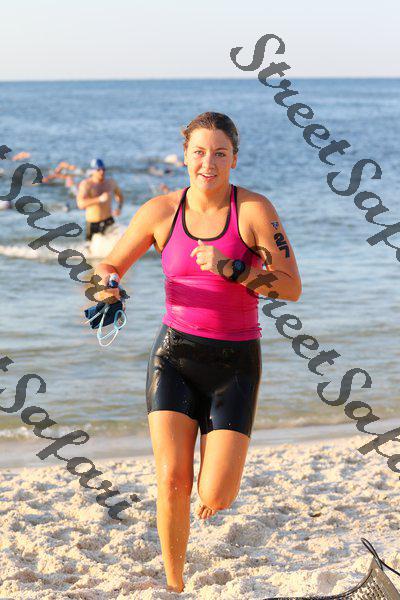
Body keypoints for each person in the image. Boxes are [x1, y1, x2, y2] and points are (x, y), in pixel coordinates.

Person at [92, 112, 302, 593]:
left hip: (235, 364)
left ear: (234, 158)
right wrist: (106, 287)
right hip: (174, 356)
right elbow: (108, 264)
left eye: (220, 153)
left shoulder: (254, 210)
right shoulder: (161, 211)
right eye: (199, 152)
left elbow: (291, 288)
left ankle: (213, 489)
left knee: (217, 494)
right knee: (171, 479)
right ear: (184, 156)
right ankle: (174, 585)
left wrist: (235, 270)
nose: (209, 163)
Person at [76, 158, 124, 241]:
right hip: (93, 223)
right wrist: (99, 199)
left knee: (117, 243)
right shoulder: (86, 184)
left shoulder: (111, 182)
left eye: (103, 169)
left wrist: (119, 208)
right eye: (98, 170)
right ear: (92, 171)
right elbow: (80, 204)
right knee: (90, 248)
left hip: (109, 220)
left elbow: (120, 196)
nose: (102, 172)